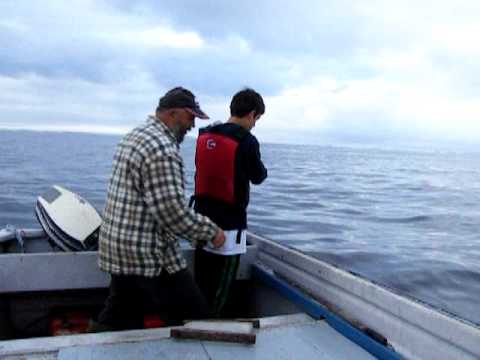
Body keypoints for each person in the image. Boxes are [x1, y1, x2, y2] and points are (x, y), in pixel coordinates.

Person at [94, 87, 225, 331]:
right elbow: (172, 212)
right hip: (144, 254)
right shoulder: (162, 148)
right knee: (196, 320)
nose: (192, 125)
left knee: (120, 319)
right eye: (190, 117)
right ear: (174, 113)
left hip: (119, 246)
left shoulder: (135, 135)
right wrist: (212, 232)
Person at [192, 88, 268, 316]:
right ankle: (214, 322)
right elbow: (258, 176)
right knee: (223, 284)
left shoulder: (205, 134)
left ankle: (195, 318)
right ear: (252, 114)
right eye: (257, 119)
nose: (255, 124)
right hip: (230, 226)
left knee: (202, 279)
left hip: (200, 220)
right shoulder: (247, 141)